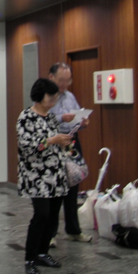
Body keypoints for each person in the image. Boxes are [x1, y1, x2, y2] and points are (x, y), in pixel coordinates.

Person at [17, 78, 72, 274]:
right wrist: (52, 140)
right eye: (51, 97)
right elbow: (27, 147)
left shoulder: (50, 118)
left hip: (56, 174)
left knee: (52, 216)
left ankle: (42, 253)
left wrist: (63, 142)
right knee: (41, 215)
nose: (54, 101)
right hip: (36, 176)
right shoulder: (26, 117)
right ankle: (30, 258)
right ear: (40, 96)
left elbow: (54, 141)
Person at [48, 62, 91, 246]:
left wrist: (83, 122)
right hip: (54, 144)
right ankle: (49, 234)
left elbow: (78, 116)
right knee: (55, 190)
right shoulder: (44, 96)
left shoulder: (70, 96)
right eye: (61, 80)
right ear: (51, 77)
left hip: (72, 142)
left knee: (73, 187)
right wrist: (60, 118)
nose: (64, 84)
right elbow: (39, 119)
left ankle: (73, 231)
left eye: (67, 80)